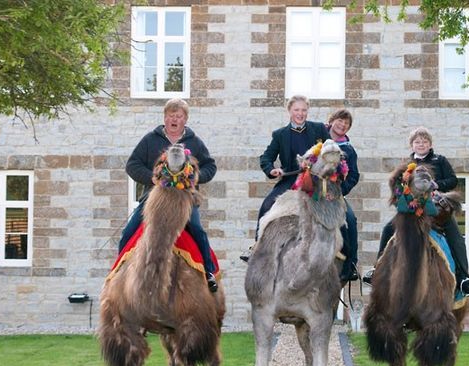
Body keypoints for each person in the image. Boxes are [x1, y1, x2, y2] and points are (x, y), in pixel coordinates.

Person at [362, 126, 469, 297]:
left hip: (436, 209)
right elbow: (397, 185)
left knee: (456, 238)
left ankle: (463, 279)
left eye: (424, 141)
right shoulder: (406, 164)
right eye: (417, 141)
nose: (421, 144)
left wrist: (438, 185)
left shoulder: (440, 160)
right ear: (412, 145)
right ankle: (377, 269)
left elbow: (453, 180)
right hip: (411, 209)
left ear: (430, 144)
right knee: (388, 229)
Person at [118, 98, 219, 293]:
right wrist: (151, 178)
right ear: (165, 118)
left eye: (178, 116)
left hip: (185, 198)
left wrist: (196, 178)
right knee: (128, 233)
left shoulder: (195, 142)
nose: (174, 119)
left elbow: (210, 166)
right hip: (155, 198)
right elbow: (132, 165)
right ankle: (120, 272)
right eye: (171, 115)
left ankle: (208, 272)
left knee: (197, 229)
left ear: (185, 119)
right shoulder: (150, 140)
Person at [240, 94, 330, 261]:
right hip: (290, 180)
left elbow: (332, 152)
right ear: (289, 111)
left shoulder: (319, 129)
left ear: (308, 111)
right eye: (296, 109)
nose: (300, 113)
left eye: (304, 110)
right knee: (267, 205)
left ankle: (348, 259)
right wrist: (272, 170)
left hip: (316, 181)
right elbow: (266, 158)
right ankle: (256, 246)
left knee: (349, 217)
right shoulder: (280, 134)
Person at [327, 109, 360, 282]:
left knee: (351, 219)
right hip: (312, 193)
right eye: (340, 120)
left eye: (347, 124)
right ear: (332, 120)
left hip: (336, 195)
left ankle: (352, 264)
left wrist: (339, 191)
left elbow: (354, 175)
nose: (343, 125)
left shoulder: (349, 150)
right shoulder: (316, 139)